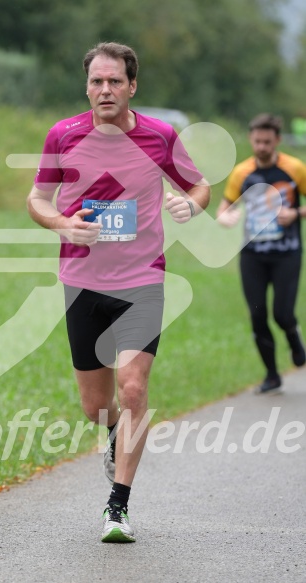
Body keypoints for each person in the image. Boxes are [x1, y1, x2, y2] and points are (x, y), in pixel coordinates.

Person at [27, 42, 210, 543]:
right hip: (82, 282)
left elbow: (199, 186)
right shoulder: (63, 135)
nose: (104, 89)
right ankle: (113, 433)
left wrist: (189, 206)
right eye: (96, 81)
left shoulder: (160, 135)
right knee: (96, 406)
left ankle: (118, 506)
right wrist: (63, 222)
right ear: (87, 86)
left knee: (133, 388)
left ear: (132, 86)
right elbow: (37, 199)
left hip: (143, 280)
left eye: (114, 81)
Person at [217, 113, 306, 395]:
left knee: (282, 314)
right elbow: (225, 206)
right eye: (257, 141)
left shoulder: (295, 169)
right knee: (257, 315)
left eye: (267, 142)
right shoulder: (242, 173)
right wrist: (224, 217)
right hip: (252, 255)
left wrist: (296, 213)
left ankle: (293, 337)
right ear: (251, 140)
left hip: (286, 253)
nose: (262, 147)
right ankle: (271, 375)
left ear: (277, 141)